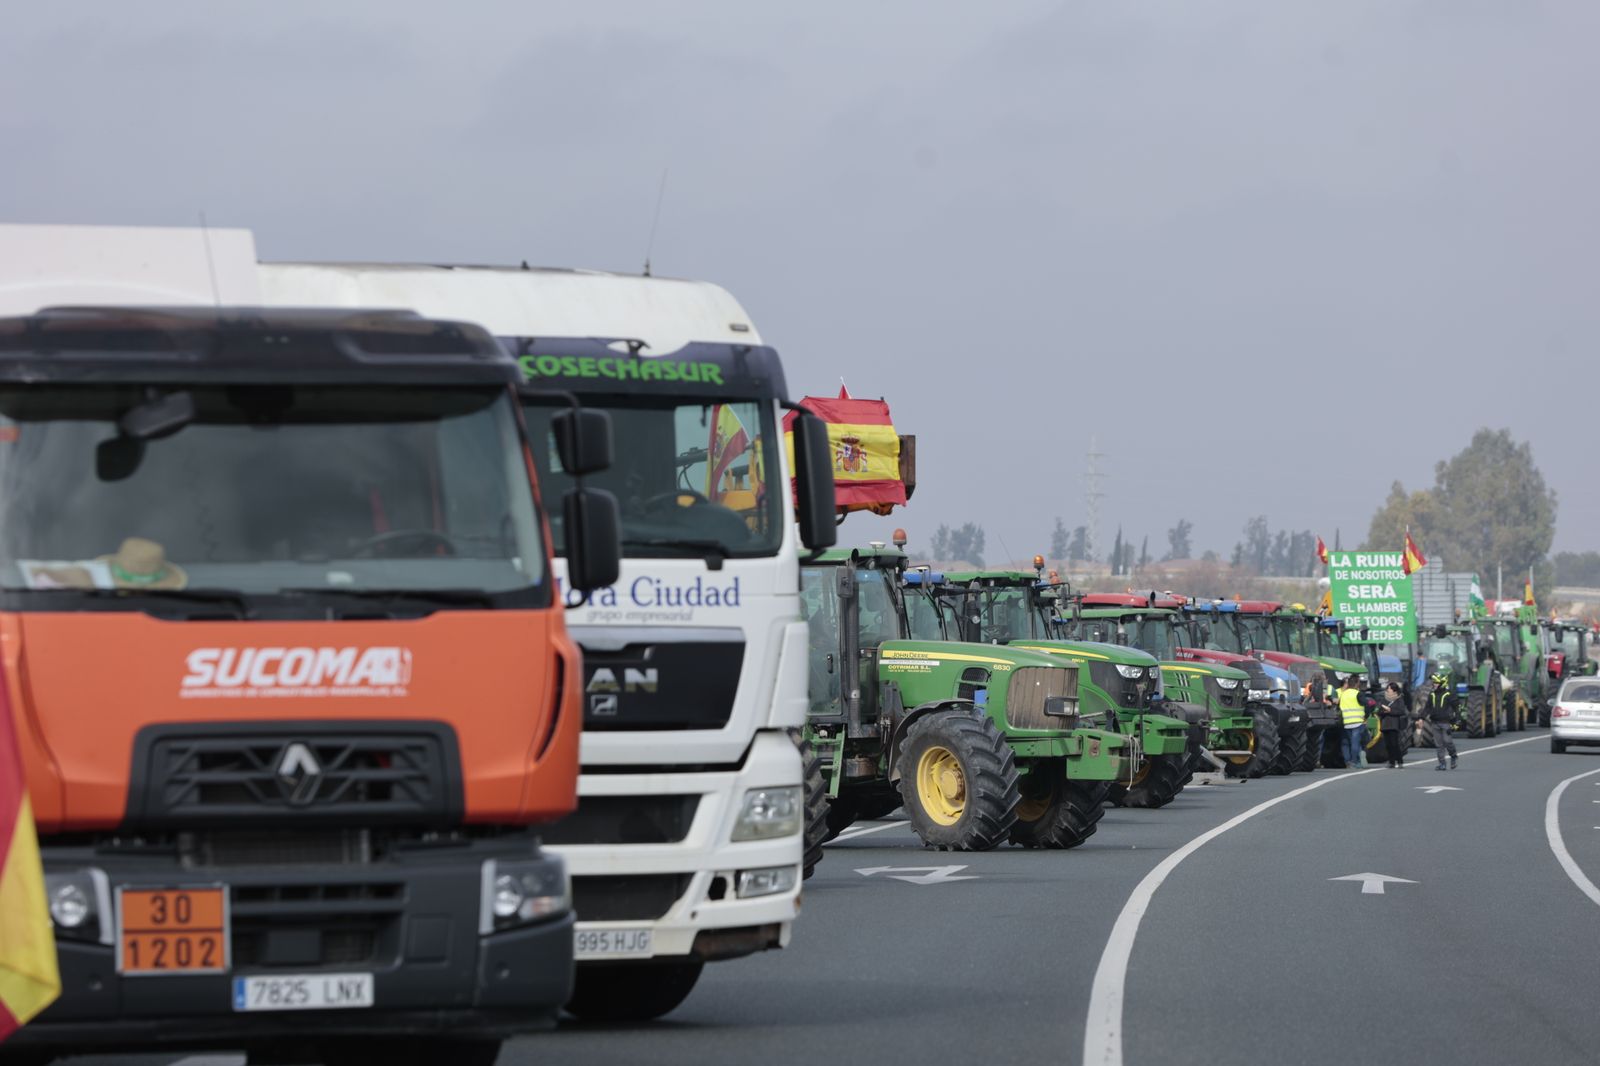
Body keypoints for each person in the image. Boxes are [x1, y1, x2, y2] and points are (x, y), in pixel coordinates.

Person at [1424, 670, 1460, 770]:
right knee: (1439, 744)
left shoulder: (1449, 694)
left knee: (1448, 741)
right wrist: (1420, 718)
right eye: (1434, 682)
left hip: (1446, 723)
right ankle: (1442, 764)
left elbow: (1457, 708)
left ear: (1442, 683)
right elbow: (1427, 708)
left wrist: (1457, 721)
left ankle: (1453, 756)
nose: (1434, 684)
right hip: (1435, 723)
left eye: (1436, 683)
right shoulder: (1432, 695)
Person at [1377, 682, 1410, 768]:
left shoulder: (1399, 700)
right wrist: (1384, 711)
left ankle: (1399, 761)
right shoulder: (1384, 699)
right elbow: (1379, 711)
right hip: (1385, 725)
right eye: (1388, 688)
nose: (1388, 690)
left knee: (1394, 744)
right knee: (1387, 745)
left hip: (1394, 725)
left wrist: (1390, 711)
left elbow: (1401, 711)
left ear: (1394, 690)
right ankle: (1391, 762)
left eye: (1390, 688)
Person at [1338, 675, 1368, 768]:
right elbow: (1366, 705)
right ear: (1357, 683)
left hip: (1346, 722)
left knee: (1345, 743)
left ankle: (1348, 761)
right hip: (1358, 722)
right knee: (1356, 743)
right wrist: (1366, 716)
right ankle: (1354, 761)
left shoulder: (1343, 694)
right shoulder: (1358, 694)